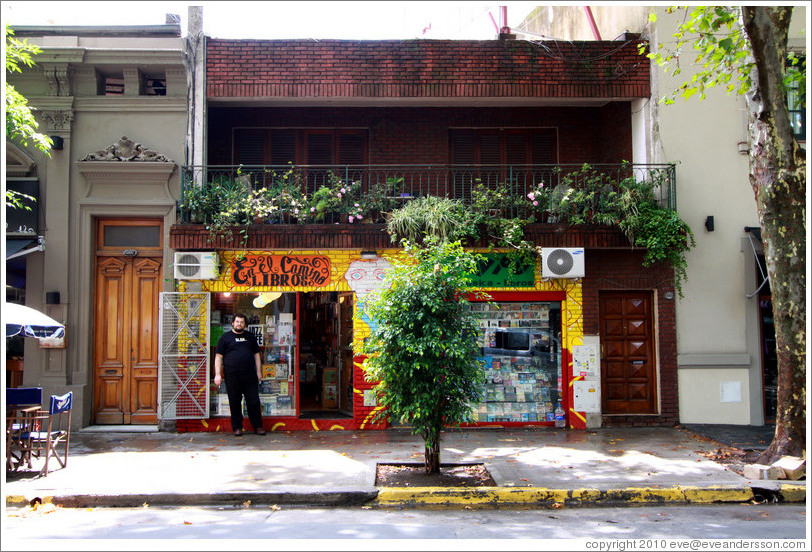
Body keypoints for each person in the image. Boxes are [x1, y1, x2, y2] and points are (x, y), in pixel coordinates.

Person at [214, 313, 266, 436]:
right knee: (234, 401)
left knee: (253, 401)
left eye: (242, 322)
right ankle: (237, 427)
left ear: (245, 324)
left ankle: (258, 427)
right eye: (237, 321)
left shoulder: (250, 337)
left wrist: (259, 371)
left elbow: (257, 355)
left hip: (250, 375)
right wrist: (217, 374)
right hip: (232, 376)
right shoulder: (225, 338)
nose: (239, 324)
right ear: (232, 323)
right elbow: (218, 357)